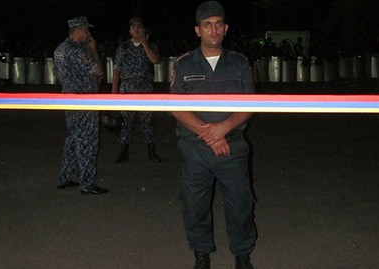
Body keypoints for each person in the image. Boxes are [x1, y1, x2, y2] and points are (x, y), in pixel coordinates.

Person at [170, 2, 257, 269]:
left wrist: (224, 128)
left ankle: (242, 255)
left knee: (240, 205)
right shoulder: (184, 64)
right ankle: (201, 255)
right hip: (195, 148)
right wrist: (209, 134)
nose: (213, 29)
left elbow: (250, 104)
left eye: (218, 24)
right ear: (198, 30)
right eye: (207, 25)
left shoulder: (240, 63)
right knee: (195, 206)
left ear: (226, 29)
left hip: (232, 146)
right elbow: (176, 106)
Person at [54, 16, 108, 195]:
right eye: (86, 30)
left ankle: (64, 178)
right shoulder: (79, 51)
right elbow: (98, 71)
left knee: (72, 139)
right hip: (84, 100)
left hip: (69, 98)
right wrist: (93, 50)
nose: (89, 34)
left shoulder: (60, 49)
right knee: (88, 141)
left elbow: (59, 76)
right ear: (77, 30)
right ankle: (87, 184)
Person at [112, 17, 162, 163]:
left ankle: (151, 152)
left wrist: (145, 43)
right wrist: (114, 91)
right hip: (127, 86)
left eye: (140, 26)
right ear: (130, 30)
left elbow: (155, 60)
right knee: (126, 121)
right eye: (134, 26)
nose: (137, 28)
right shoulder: (123, 47)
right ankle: (124, 152)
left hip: (144, 86)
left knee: (147, 121)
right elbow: (117, 68)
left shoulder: (150, 45)